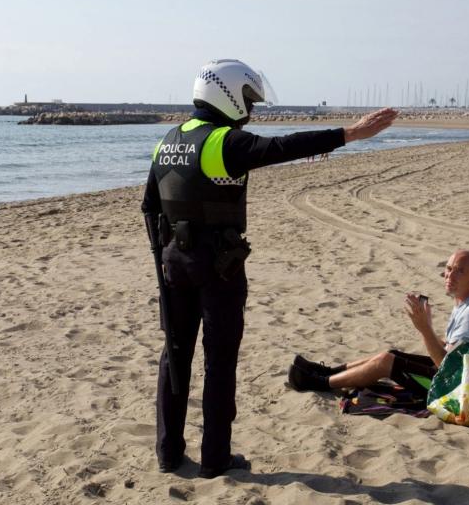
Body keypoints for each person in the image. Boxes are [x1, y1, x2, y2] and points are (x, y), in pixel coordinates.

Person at [143, 59, 397, 477]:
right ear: (227, 95)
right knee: (218, 362)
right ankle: (215, 459)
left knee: (174, 356)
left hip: (174, 264)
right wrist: (351, 133)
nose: (252, 109)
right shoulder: (223, 142)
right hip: (218, 266)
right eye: (248, 100)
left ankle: (168, 454)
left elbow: (150, 208)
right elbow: (282, 148)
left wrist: (165, 257)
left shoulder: (167, 140)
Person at [288, 249, 469, 402]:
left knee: (386, 362)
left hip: (463, 394)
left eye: (459, 271)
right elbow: (451, 352)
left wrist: (424, 329)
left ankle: (321, 383)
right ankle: (327, 372)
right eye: (449, 268)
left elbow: (446, 368)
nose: (450, 275)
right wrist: (426, 326)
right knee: (390, 354)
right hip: (463, 380)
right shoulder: (467, 303)